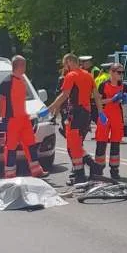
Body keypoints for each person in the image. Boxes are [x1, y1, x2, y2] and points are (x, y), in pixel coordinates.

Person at [46, 54, 107, 183]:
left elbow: (64, 95)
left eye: (65, 64)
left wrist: (50, 108)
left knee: (74, 145)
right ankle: (81, 173)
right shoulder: (88, 75)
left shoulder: (71, 76)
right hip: (86, 114)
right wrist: (101, 112)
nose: (64, 67)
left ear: (69, 62)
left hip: (76, 113)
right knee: (75, 144)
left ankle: (90, 168)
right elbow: (96, 96)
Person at [0, 56, 49, 179]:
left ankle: (36, 171)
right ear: (19, 66)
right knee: (11, 147)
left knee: (31, 144)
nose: (25, 68)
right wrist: (5, 115)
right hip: (12, 120)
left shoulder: (22, 80)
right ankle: (10, 175)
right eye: (24, 65)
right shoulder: (7, 82)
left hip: (24, 119)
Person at [94, 64, 127, 179]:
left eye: (123, 72)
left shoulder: (124, 86)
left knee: (115, 143)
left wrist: (125, 99)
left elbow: (123, 102)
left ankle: (114, 170)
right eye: (119, 72)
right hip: (105, 115)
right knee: (101, 142)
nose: (121, 75)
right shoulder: (103, 85)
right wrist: (112, 99)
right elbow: (99, 101)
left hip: (117, 116)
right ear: (111, 72)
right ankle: (98, 169)